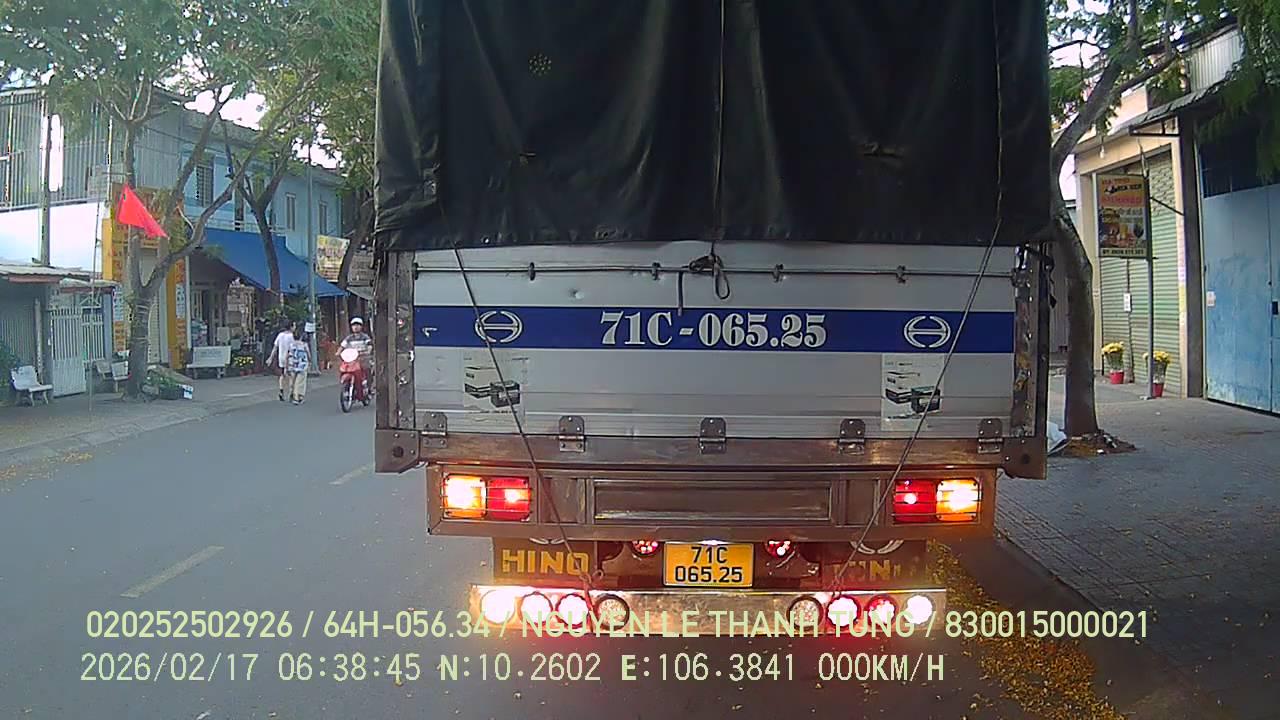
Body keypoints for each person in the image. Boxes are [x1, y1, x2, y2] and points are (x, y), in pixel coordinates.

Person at [266, 320, 296, 401]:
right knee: (291, 375)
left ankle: (281, 391)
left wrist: (270, 358)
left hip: (281, 357)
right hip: (289, 358)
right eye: (294, 326)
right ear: (291, 327)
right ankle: (291, 393)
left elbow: (275, 347)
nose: (294, 327)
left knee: (282, 375)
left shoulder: (280, 335)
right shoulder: (290, 336)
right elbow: (292, 348)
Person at [340, 317, 374, 381]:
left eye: (358, 325)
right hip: (352, 359)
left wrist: (368, 350)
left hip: (362, 358)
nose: (355, 327)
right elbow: (342, 346)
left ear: (361, 327)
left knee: (366, 368)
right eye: (354, 325)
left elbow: (369, 344)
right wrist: (338, 352)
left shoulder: (365, 337)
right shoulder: (349, 338)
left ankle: (367, 383)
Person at [286, 331, 312, 404]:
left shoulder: (291, 345)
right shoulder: (304, 345)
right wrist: (310, 361)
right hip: (302, 365)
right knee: (300, 382)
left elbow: (287, 355)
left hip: (292, 364)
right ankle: (297, 397)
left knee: (292, 381)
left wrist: (286, 365)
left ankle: (292, 394)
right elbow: (308, 354)